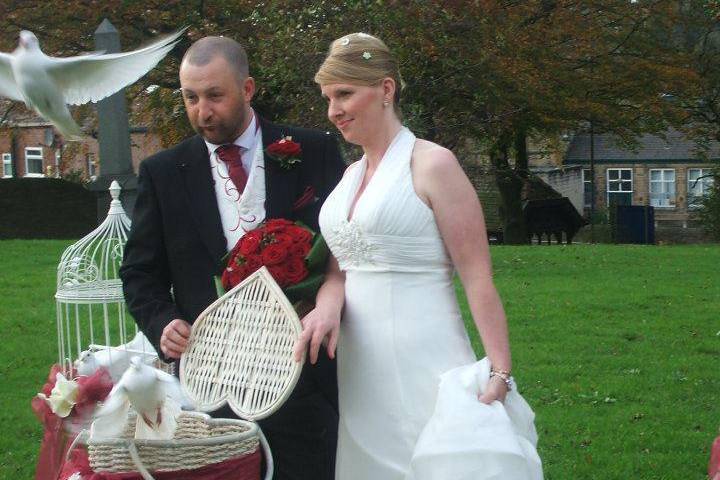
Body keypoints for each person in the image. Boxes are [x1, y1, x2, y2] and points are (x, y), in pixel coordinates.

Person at [294, 33, 540, 479]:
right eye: (328, 98)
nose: (334, 111)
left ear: (386, 89)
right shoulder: (349, 175)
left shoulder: (434, 165)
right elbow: (337, 270)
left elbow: (477, 276)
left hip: (425, 358)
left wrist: (500, 370)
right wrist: (327, 308)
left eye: (345, 93)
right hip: (360, 374)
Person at [119, 36, 345, 480]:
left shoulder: (312, 151)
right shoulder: (162, 173)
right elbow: (139, 272)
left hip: (305, 371)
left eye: (214, 95)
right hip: (210, 380)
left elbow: (342, 248)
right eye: (190, 97)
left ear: (247, 89)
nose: (202, 111)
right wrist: (163, 323)